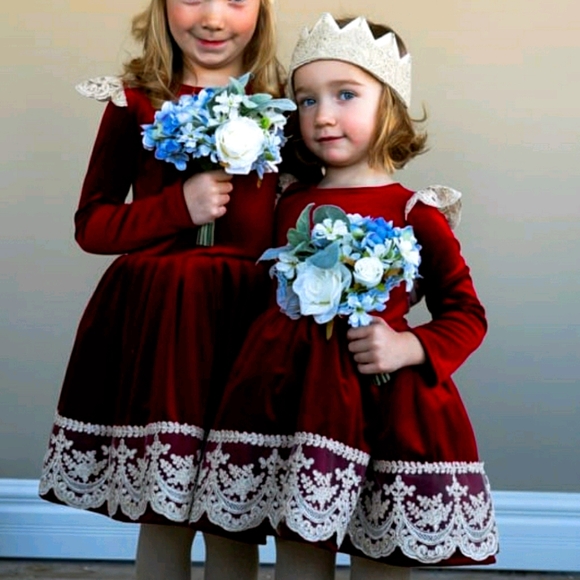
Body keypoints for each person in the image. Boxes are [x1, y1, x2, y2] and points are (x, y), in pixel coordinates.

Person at [190, 12, 499, 580]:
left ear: (391, 106)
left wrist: (409, 347)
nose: (323, 115)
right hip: (286, 401)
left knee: (378, 550)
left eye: (346, 94)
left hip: (380, 406)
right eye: (306, 100)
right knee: (298, 542)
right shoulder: (286, 201)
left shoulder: (415, 211)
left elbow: (466, 312)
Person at [38, 0, 285, 579]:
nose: (213, 18)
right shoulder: (135, 101)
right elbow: (93, 225)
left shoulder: (283, 105)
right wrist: (178, 206)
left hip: (244, 325)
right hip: (164, 329)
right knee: (162, 507)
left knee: (233, 506)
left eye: (236, 1)